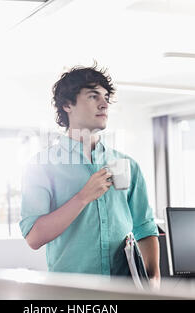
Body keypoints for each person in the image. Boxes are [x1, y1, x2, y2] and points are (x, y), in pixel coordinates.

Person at [19, 64, 160, 289]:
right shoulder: (41, 166)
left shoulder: (127, 165)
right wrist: (83, 197)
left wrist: (152, 282)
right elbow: (34, 238)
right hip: (71, 294)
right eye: (93, 96)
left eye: (105, 97)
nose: (104, 104)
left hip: (124, 292)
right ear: (67, 105)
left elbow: (144, 226)